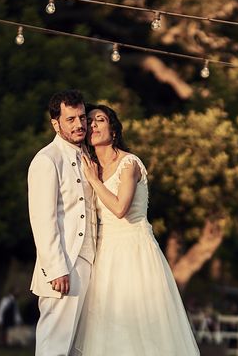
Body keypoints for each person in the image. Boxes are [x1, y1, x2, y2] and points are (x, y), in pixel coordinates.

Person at [73, 103, 200, 355]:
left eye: (100, 120)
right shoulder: (90, 166)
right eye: (90, 121)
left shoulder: (129, 163)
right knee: (110, 325)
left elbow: (120, 208)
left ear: (114, 130)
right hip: (105, 254)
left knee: (139, 323)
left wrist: (94, 181)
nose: (93, 125)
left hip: (134, 251)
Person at [28, 89, 97, 356]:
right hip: (64, 266)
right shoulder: (47, 160)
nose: (80, 124)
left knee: (78, 347)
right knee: (54, 346)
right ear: (55, 123)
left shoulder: (89, 156)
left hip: (90, 263)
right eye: (71, 119)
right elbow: (43, 219)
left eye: (82, 117)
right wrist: (56, 268)